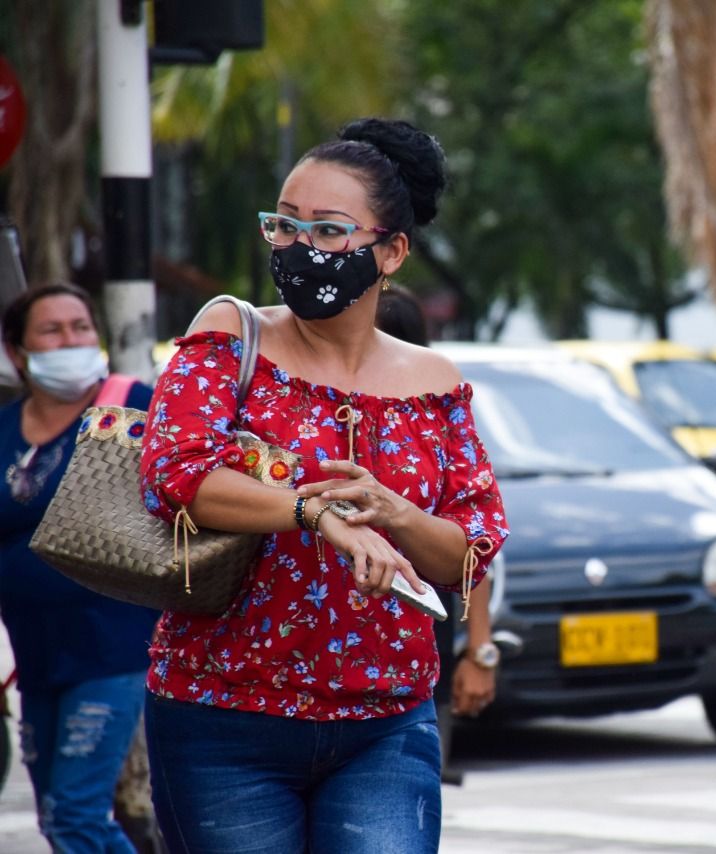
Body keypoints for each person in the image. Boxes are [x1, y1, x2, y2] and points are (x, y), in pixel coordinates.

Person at [138, 117, 508, 853]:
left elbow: (470, 552)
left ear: (391, 251)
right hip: (222, 716)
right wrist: (311, 511)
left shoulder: (435, 383)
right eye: (284, 225)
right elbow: (175, 472)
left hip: (386, 724)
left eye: (331, 231)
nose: (300, 248)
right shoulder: (232, 334)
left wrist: (396, 512)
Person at [0, 282, 159, 851]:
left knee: (74, 815)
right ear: (17, 351)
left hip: (113, 650)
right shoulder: (5, 428)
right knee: (58, 818)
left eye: (80, 327)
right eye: (52, 330)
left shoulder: (133, 408)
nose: (70, 340)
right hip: (37, 659)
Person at [372, 282, 499, 779]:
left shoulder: (434, 429)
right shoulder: (313, 418)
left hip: (415, 671)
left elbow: (475, 550)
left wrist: (481, 652)